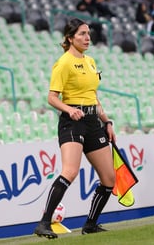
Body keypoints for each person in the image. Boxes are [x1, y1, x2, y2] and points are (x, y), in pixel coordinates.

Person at [33, 18, 116, 239]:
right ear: (70, 38)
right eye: (82, 34)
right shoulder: (64, 63)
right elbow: (51, 97)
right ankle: (43, 223)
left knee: (109, 179)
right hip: (72, 122)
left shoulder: (90, 61)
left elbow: (94, 97)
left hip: (92, 122)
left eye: (88, 33)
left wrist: (107, 122)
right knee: (70, 171)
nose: (87, 37)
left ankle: (90, 224)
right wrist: (69, 110)